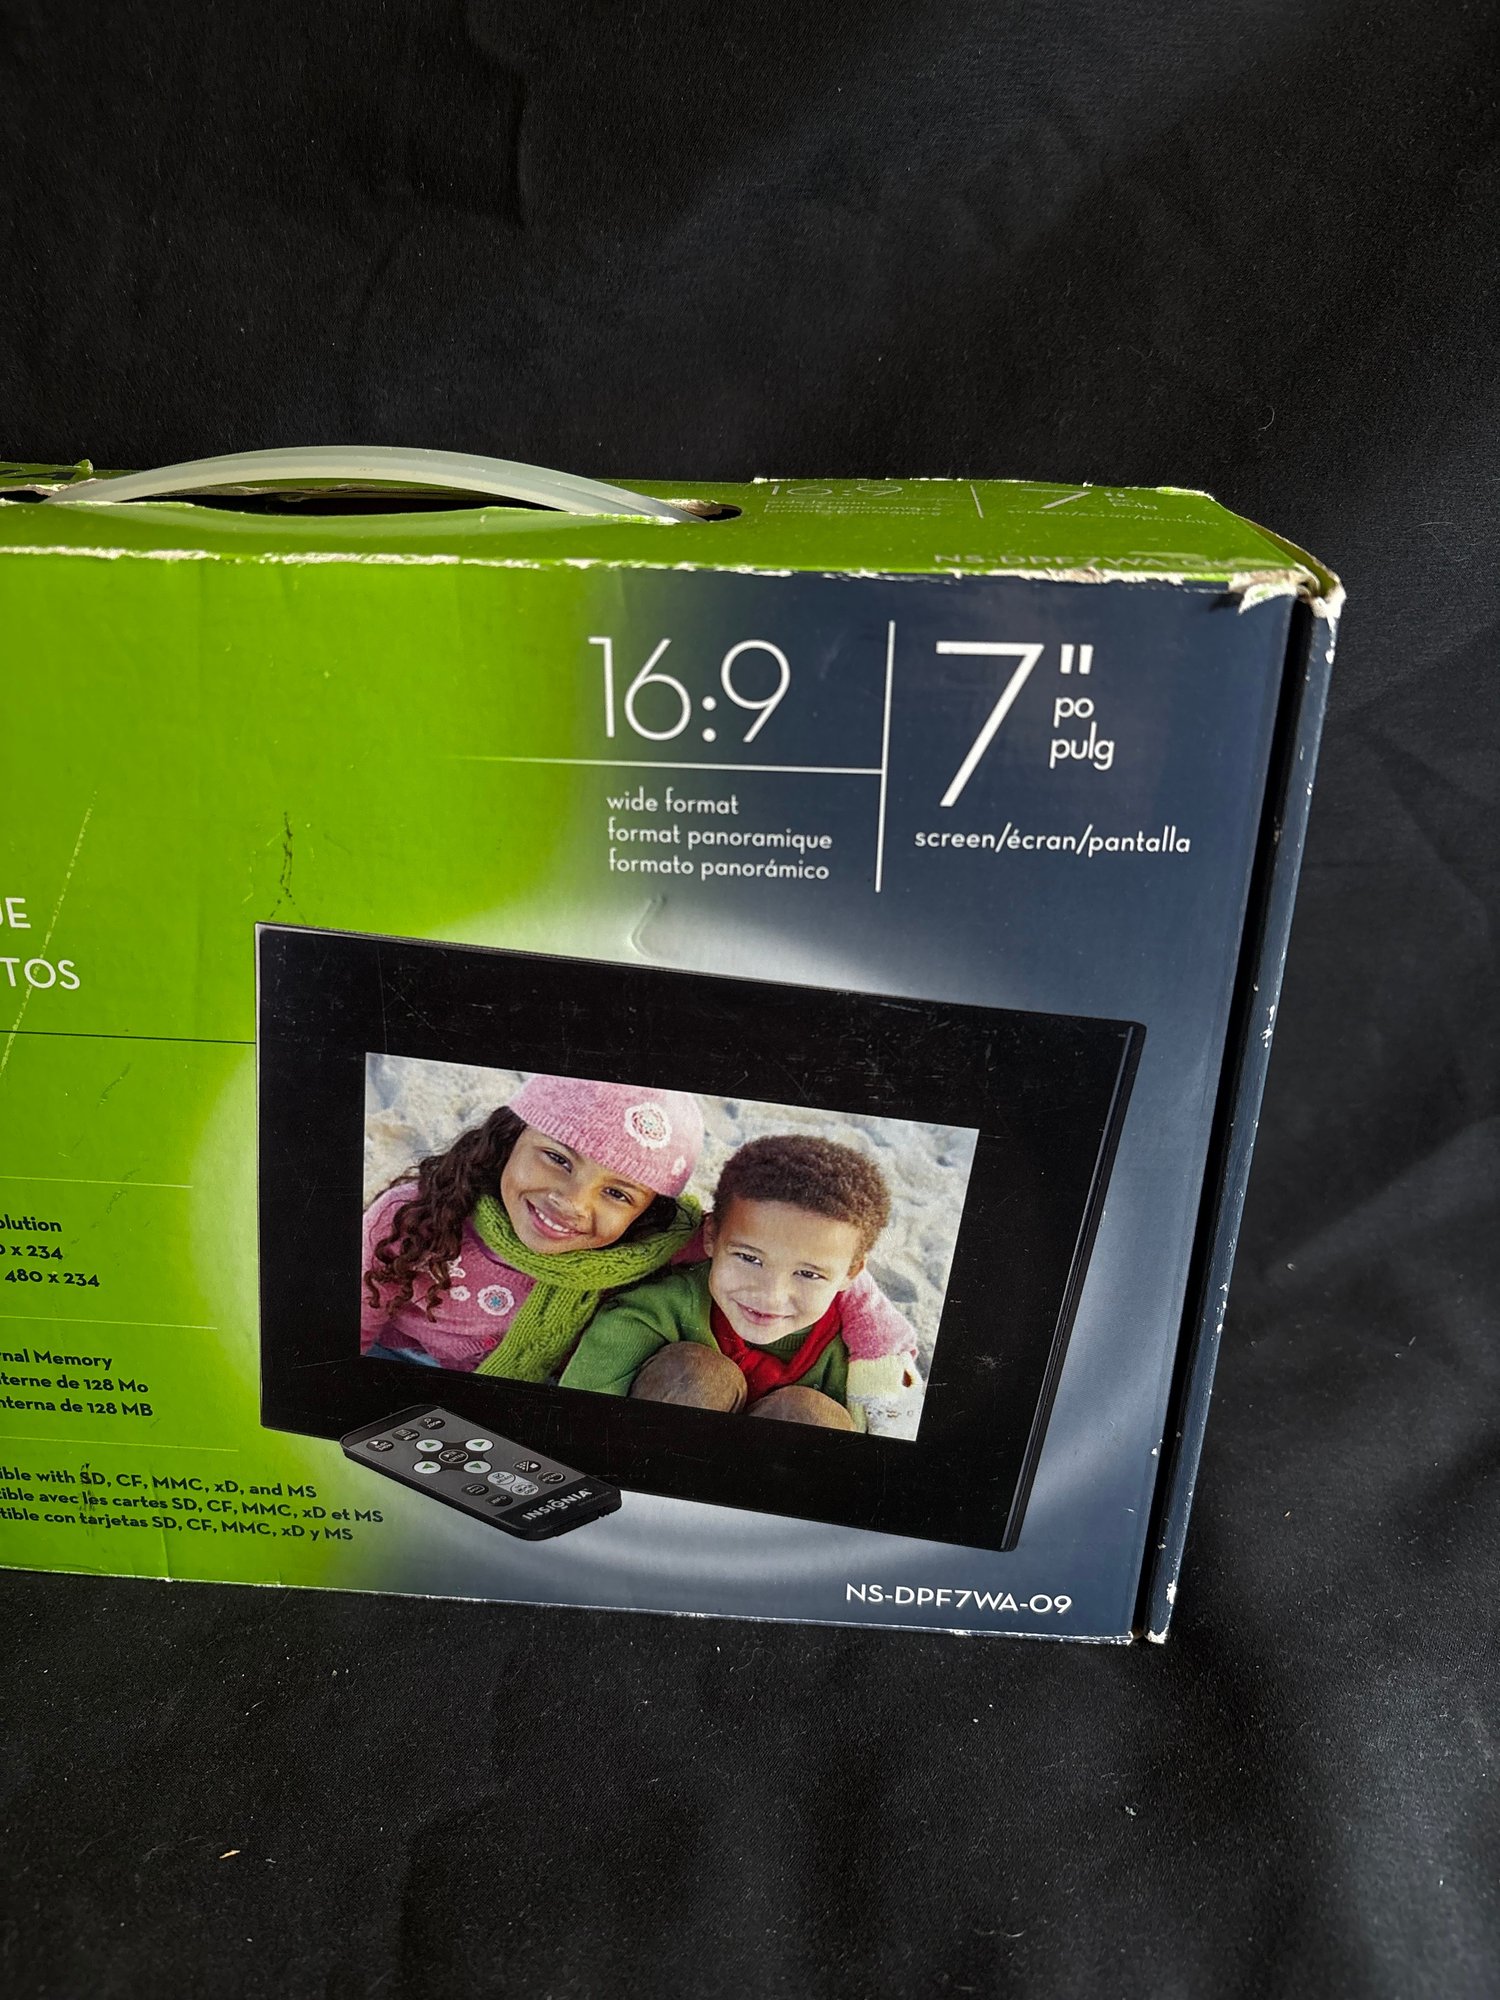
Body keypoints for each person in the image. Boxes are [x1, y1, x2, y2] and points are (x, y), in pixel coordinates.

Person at [361, 1073, 706, 1381]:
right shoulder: (415, 1219)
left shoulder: (647, 1248)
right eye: (558, 1159)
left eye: (617, 1194)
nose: (572, 1202)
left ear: (646, 1213)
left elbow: (724, 1240)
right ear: (510, 1137)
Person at [559, 1134, 915, 1428]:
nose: (771, 1296)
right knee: (698, 1375)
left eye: (808, 1274)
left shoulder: (851, 1359)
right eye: (749, 1258)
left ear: (850, 1274)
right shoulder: (655, 1309)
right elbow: (579, 1419)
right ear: (711, 1237)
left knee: (811, 1414)